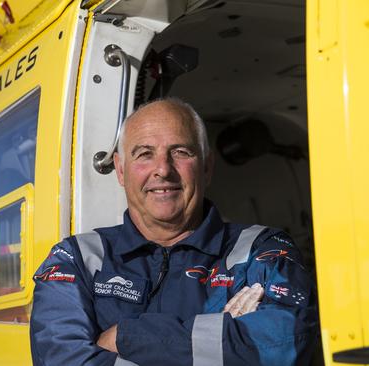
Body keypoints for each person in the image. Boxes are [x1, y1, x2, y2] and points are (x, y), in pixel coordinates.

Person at [29, 98, 318, 365]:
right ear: (120, 169)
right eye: (144, 154)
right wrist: (221, 340)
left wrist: (128, 337)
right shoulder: (75, 258)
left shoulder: (262, 249)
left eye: (180, 152)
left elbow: (287, 342)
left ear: (206, 167)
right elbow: (60, 360)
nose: (163, 170)